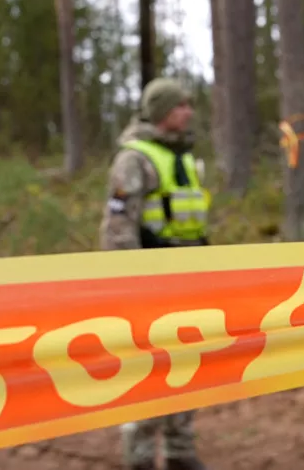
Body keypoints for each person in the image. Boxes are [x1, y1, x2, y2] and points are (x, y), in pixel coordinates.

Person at [99, 77, 211, 470]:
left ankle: (181, 452)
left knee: (187, 367)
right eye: (181, 106)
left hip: (187, 282)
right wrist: (132, 286)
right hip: (149, 285)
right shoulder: (135, 159)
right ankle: (141, 459)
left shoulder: (183, 157)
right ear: (163, 112)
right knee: (146, 373)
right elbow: (117, 229)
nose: (188, 112)